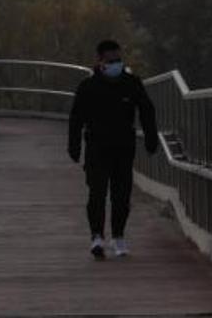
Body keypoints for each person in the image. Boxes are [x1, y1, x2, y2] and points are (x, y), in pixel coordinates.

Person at [67, 38, 159, 259]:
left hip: (123, 148)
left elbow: (147, 110)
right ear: (100, 62)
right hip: (97, 147)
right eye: (111, 60)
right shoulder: (88, 87)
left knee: (121, 195)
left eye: (119, 60)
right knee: (97, 193)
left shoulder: (131, 83)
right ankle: (96, 236)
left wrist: (151, 138)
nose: (116, 63)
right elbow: (76, 118)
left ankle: (118, 236)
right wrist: (74, 145)